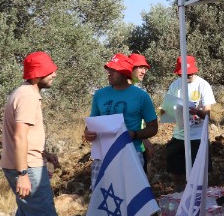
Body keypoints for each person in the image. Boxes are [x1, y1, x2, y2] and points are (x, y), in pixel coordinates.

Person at [2, 51, 77, 216]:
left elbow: (23, 137)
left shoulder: (23, 93)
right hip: (27, 169)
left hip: (26, 163)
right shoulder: (28, 97)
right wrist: (24, 173)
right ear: (37, 75)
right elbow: (19, 135)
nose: (54, 74)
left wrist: (43, 154)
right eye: (49, 71)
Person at [84, 53, 159, 186]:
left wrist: (134, 134)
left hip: (131, 154)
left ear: (125, 73)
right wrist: (88, 133)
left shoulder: (141, 96)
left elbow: (153, 128)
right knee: (101, 199)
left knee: (131, 200)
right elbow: (92, 124)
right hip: (102, 156)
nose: (109, 74)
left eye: (114, 71)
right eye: (109, 70)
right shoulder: (99, 95)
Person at [163, 55, 215, 193]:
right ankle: (180, 201)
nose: (187, 76)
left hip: (197, 137)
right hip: (179, 136)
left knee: (199, 177)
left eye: (190, 74)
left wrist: (196, 111)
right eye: (183, 74)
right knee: (177, 175)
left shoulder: (203, 85)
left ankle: (198, 203)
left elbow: (207, 114)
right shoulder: (175, 85)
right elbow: (167, 110)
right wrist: (168, 112)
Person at [128, 53, 156, 170]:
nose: (144, 72)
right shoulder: (125, 93)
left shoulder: (138, 93)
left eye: (145, 68)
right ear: (130, 68)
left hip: (139, 147)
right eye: (140, 67)